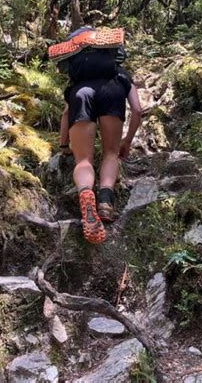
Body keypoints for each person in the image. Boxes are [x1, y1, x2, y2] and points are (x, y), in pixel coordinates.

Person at [58, 37, 142, 245]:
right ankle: (105, 201)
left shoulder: (79, 81)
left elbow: (66, 115)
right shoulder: (121, 74)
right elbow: (138, 110)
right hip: (112, 93)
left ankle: (86, 194)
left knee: (83, 160)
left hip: (81, 95)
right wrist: (127, 141)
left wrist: (63, 145)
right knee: (111, 153)